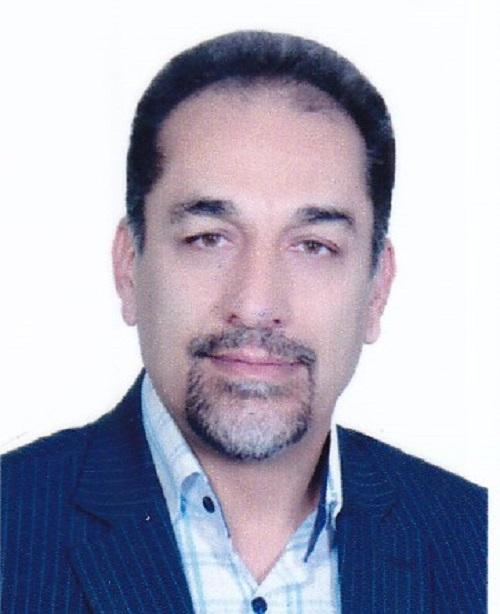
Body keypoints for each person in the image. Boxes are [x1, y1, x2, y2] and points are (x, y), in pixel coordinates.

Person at [1, 31, 486, 614]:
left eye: (313, 245)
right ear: (129, 267)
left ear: (376, 290)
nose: (256, 303)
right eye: (209, 238)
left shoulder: (476, 543)